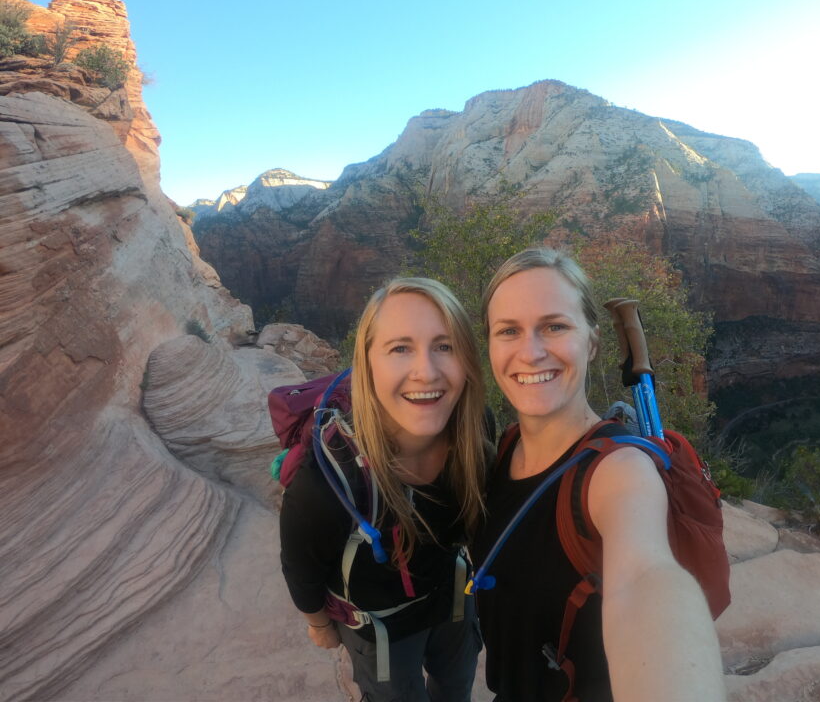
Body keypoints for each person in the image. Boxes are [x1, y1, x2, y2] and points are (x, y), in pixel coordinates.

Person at [471, 247, 726, 702]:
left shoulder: (619, 473)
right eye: (508, 330)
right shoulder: (504, 446)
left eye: (554, 326)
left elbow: (647, 581)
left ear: (591, 341)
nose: (530, 352)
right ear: (489, 345)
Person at [280, 277, 488, 702]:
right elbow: (300, 566)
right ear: (367, 364)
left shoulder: (476, 432)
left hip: (450, 596)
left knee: (456, 687)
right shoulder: (329, 480)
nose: (426, 371)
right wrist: (320, 624)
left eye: (445, 346)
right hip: (378, 627)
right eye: (399, 348)